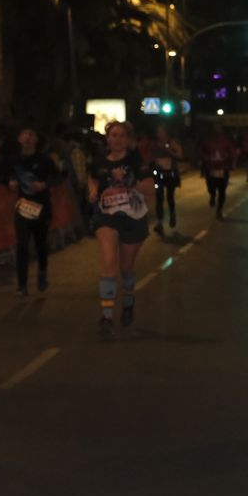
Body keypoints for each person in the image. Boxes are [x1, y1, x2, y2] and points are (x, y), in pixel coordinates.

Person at [88, 121, 154, 335]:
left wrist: (128, 181)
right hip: (107, 216)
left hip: (132, 217)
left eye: (122, 135)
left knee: (126, 268)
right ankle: (106, 317)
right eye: (113, 135)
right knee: (108, 263)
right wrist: (92, 190)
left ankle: (127, 301)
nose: (117, 139)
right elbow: (92, 178)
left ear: (128, 139)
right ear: (107, 138)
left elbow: (150, 188)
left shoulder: (136, 160)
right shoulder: (98, 161)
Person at [8, 127, 56, 295]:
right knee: (22, 245)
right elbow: (5, 176)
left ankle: (42, 273)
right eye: (24, 134)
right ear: (19, 138)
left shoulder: (44, 160)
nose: (28, 138)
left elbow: (57, 177)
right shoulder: (15, 161)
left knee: (40, 244)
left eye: (31, 134)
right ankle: (22, 285)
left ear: (36, 139)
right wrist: (10, 183)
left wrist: (43, 185)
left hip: (41, 208)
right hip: (22, 208)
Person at [197, 124, 238, 220]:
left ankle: (219, 210)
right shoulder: (208, 141)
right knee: (210, 186)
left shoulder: (226, 142)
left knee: (222, 190)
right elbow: (200, 150)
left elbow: (232, 153)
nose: (217, 132)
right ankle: (212, 195)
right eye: (215, 130)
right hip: (210, 168)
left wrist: (229, 160)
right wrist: (205, 158)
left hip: (223, 169)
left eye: (219, 130)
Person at [149, 125, 182, 235]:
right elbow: (150, 157)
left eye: (162, 132)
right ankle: (159, 223)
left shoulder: (171, 143)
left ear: (166, 133)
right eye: (158, 132)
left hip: (170, 174)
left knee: (170, 196)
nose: (160, 134)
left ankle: (172, 214)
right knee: (159, 197)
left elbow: (179, 154)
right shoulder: (154, 145)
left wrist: (170, 152)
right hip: (158, 174)